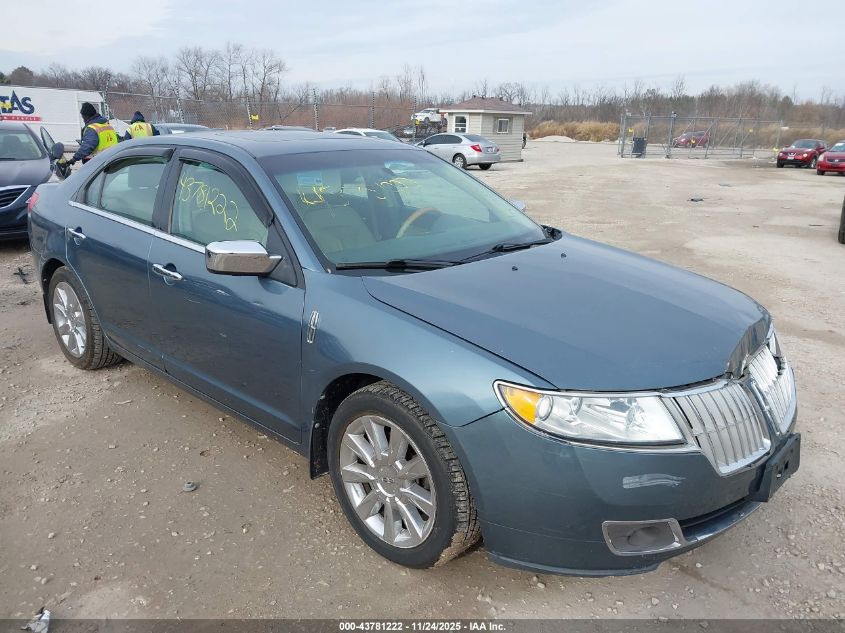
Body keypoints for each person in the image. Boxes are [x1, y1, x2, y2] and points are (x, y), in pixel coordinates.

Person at [58, 102, 118, 167]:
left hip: (96, 163)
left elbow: (87, 146)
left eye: (83, 117)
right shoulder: (107, 126)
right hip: (110, 160)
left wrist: (74, 159)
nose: (83, 119)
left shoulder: (92, 128)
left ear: (87, 115)